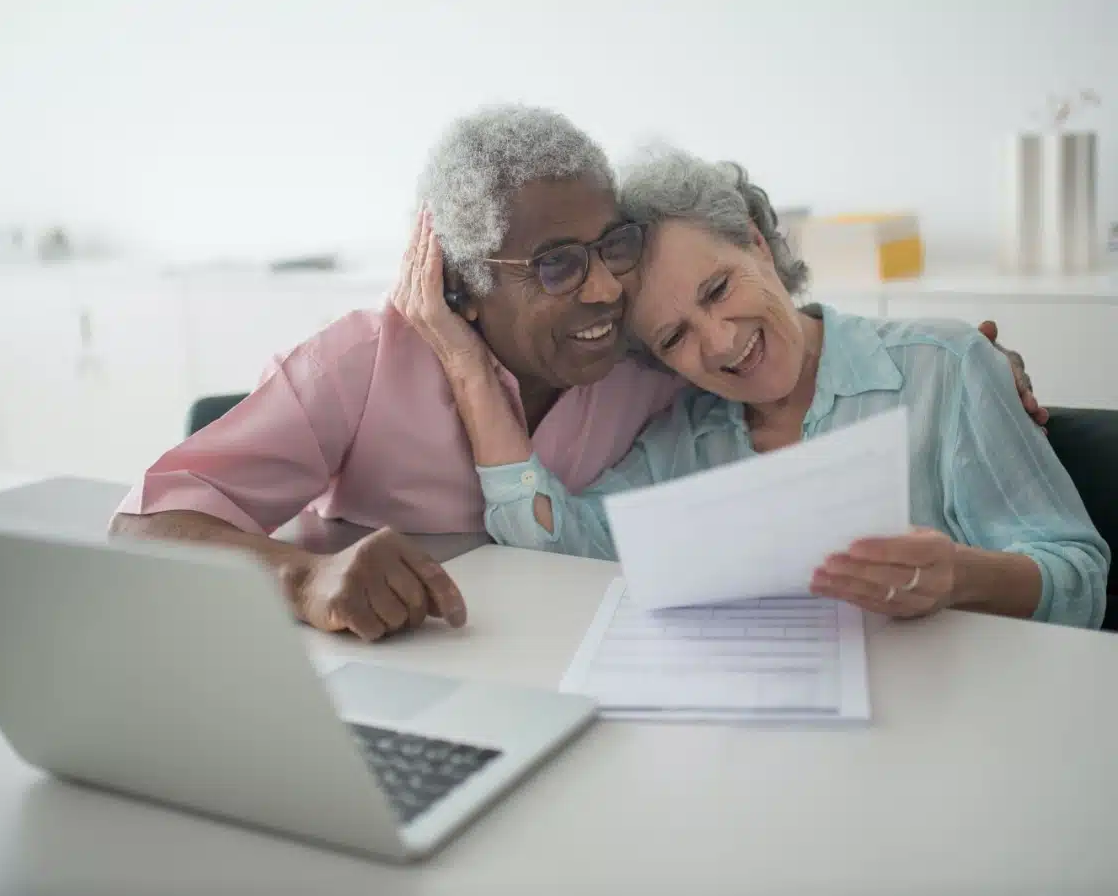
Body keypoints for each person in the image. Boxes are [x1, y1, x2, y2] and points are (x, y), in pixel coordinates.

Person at [111, 105, 1046, 641]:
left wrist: (979, 367)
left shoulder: (651, 363)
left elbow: (780, 355)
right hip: (373, 680)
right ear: (466, 286)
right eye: (558, 264)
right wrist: (302, 579)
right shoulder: (361, 363)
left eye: (613, 247)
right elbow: (142, 528)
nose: (604, 288)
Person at [396, 148, 1108, 629]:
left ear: (758, 246)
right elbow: (553, 550)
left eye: (718, 288)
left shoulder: (945, 367)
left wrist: (958, 576)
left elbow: (1078, 577)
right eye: (673, 338)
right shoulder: (683, 438)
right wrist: (465, 366)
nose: (720, 342)